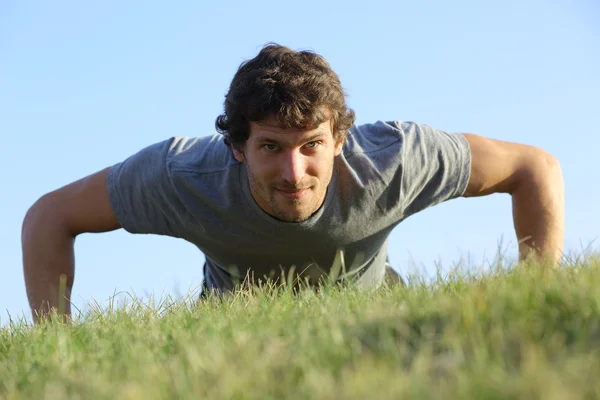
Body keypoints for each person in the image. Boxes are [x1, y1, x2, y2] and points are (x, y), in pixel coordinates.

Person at [21, 43, 565, 322]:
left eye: (311, 146)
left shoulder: (394, 159)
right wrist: (57, 345)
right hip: (230, 349)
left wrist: (534, 304)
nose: (293, 172)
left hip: (370, 329)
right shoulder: (185, 177)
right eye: (270, 148)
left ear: (339, 140)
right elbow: (49, 216)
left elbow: (534, 167)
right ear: (237, 147)